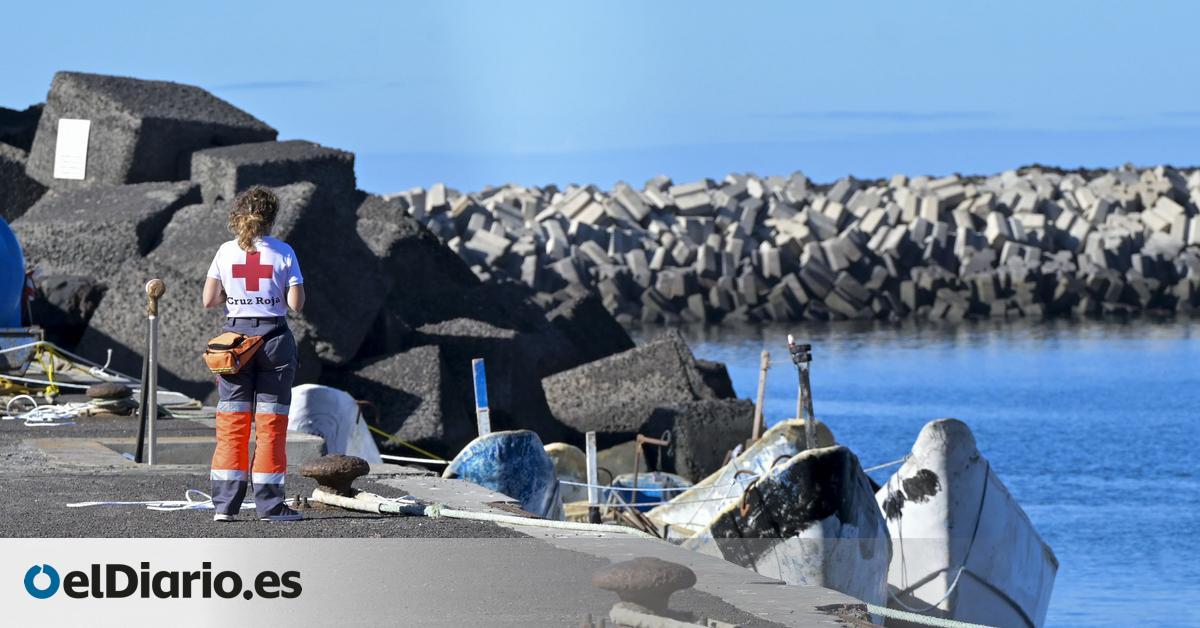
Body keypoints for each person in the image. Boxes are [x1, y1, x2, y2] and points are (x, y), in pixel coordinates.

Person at [202, 186, 306, 522]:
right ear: (272, 217)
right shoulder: (284, 252)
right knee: (270, 425)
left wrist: (235, 299)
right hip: (275, 340)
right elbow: (295, 305)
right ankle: (270, 506)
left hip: (235, 343)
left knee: (233, 423)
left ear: (239, 215)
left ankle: (224, 507)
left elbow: (209, 299)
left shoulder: (224, 251)